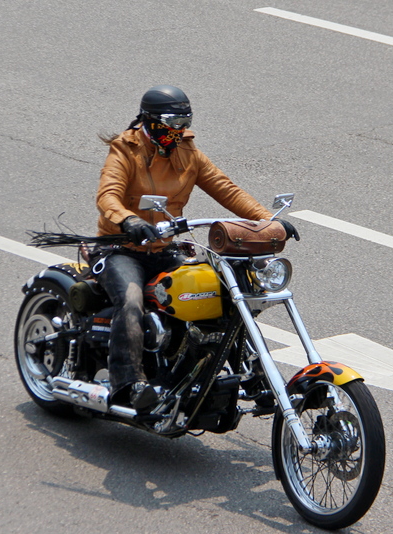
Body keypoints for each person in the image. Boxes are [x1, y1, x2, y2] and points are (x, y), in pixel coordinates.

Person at [94, 85, 299, 412]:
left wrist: (266, 222)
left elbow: (226, 190)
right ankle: (129, 384)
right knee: (131, 302)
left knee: (223, 292)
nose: (180, 129)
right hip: (122, 249)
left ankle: (255, 376)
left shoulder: (186, 152)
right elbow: (108, 196)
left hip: (164, 249)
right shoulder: (125, 150)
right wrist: (128, 220)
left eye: (185, 121)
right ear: (152, 120)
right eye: (173, 121)